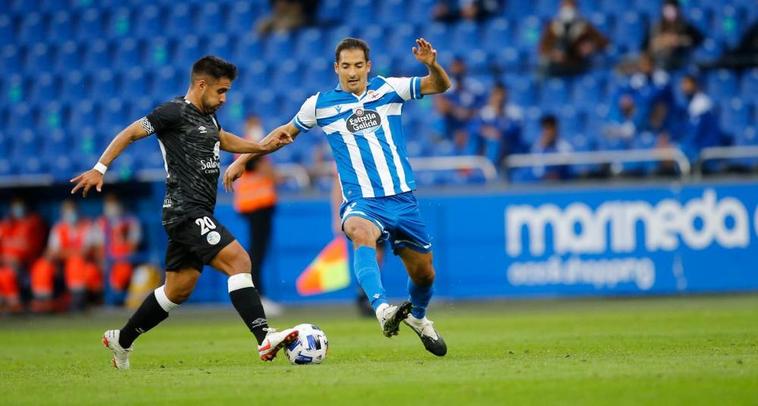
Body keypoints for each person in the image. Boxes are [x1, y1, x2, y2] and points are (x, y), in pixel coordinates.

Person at [225, 37, 451, 356]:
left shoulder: (390, 88)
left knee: (424, 274)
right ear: (336, 68)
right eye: (346, 66)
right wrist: (242, 160)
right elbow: (284, 134)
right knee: (361, 233)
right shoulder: (320, 104)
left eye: (358, 65)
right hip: (363, 201)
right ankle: (382, 308)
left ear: (368, 66)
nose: (352, 72)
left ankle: (419, 317)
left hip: (403, 199)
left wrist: (431, 65)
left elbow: (440, 86)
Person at [70, 56, 297, 369]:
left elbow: (222, 138)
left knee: (177, 290)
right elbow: (130, 133)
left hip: (196, 210)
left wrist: (261, 147)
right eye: (220, 91)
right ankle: (264, 337)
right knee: (240, 261)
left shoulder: (209, 118)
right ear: (201, 84)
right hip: (184, 210)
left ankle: (121, 340)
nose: (224, 98)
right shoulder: (173, 111)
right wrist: (100, 168)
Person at [233, 115, 282, 316]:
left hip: (255, 206)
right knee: (257, 253)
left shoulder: (249, 148)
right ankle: (257, 297)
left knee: (257, 252)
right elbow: (271, 175)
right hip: (257, 205)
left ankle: (258, 296)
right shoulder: (252, 148)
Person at [29, 200, 98, 312]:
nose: (70, 214)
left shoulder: (87, 226)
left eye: (72, 210)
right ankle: (42, 301)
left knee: (75, 262)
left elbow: (85, 253)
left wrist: (62, 253)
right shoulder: (59, 228)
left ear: (78, 211)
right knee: (42, 265)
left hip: (85, 268)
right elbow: (50, 253)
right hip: (61, 267)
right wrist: (68, 254)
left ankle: (77, 302)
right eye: (67, 211)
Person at [91, 193, 143, 306]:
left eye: (113, 203)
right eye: (109, 203)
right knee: (90, 270)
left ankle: (116, 300)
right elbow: (98, 248)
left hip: (123, 260)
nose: (111, 207)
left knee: (123, 269)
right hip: (106, 261)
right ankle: (93, 300)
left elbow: (133, 247)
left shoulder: (130, 220)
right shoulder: (100, 221)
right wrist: (103, 263)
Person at [538, 0, 608, 77]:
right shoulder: (552, 27)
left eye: (571, 8)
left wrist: (591, 46)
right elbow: (543, 47)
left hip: (578, 65)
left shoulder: (585, 26)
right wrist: (554, 54)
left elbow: (603, 42)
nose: (568, 11)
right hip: (557, 67)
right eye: (566, 8)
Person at [0, 198, 46, 314]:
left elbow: (35, 249)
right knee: (4, 273)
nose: (17, 209)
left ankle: (15, 306)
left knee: (6, 274)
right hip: (5, 265)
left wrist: (19, 260)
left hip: (26, 266)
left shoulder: (33, 224)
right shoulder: (5, 225)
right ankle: (10, 305)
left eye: (20, 206)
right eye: (15, 206)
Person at [642, 0, 703, 71]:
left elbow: (693, 40)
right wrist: (663, 41)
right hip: (660, 63)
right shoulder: (656, 27)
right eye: (668, 10)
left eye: (673, 9)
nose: (670, 13)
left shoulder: (685, 26)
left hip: (681, 61)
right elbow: (648, 46)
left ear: (678, 10)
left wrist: (678, 40)